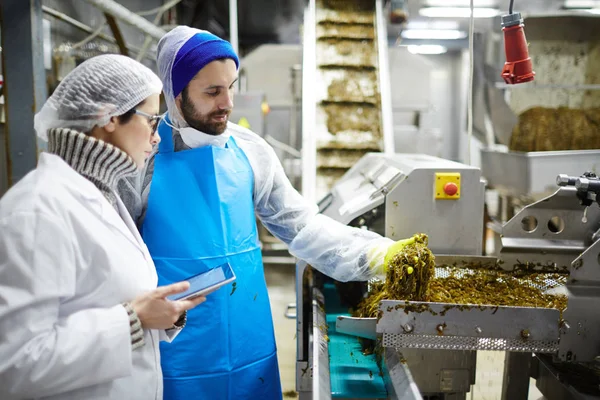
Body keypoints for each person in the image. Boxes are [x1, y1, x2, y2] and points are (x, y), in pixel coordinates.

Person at [118, 26, 407, 400]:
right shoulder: (142, 159)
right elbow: (115, 256)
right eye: (212, 92)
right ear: (175, 96)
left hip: (246, 337)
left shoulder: (250, 151)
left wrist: (373, 254)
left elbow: (300, 225)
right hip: (175, 345)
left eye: (231, 86)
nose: (227, 103)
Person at [0, 54, 206, 400]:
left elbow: (96, 299)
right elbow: (14, 365)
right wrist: (133, 320)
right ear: (108, 117)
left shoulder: (101, 195)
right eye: (152, 122)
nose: (156, 139)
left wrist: (156, 314)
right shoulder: (36, 211)